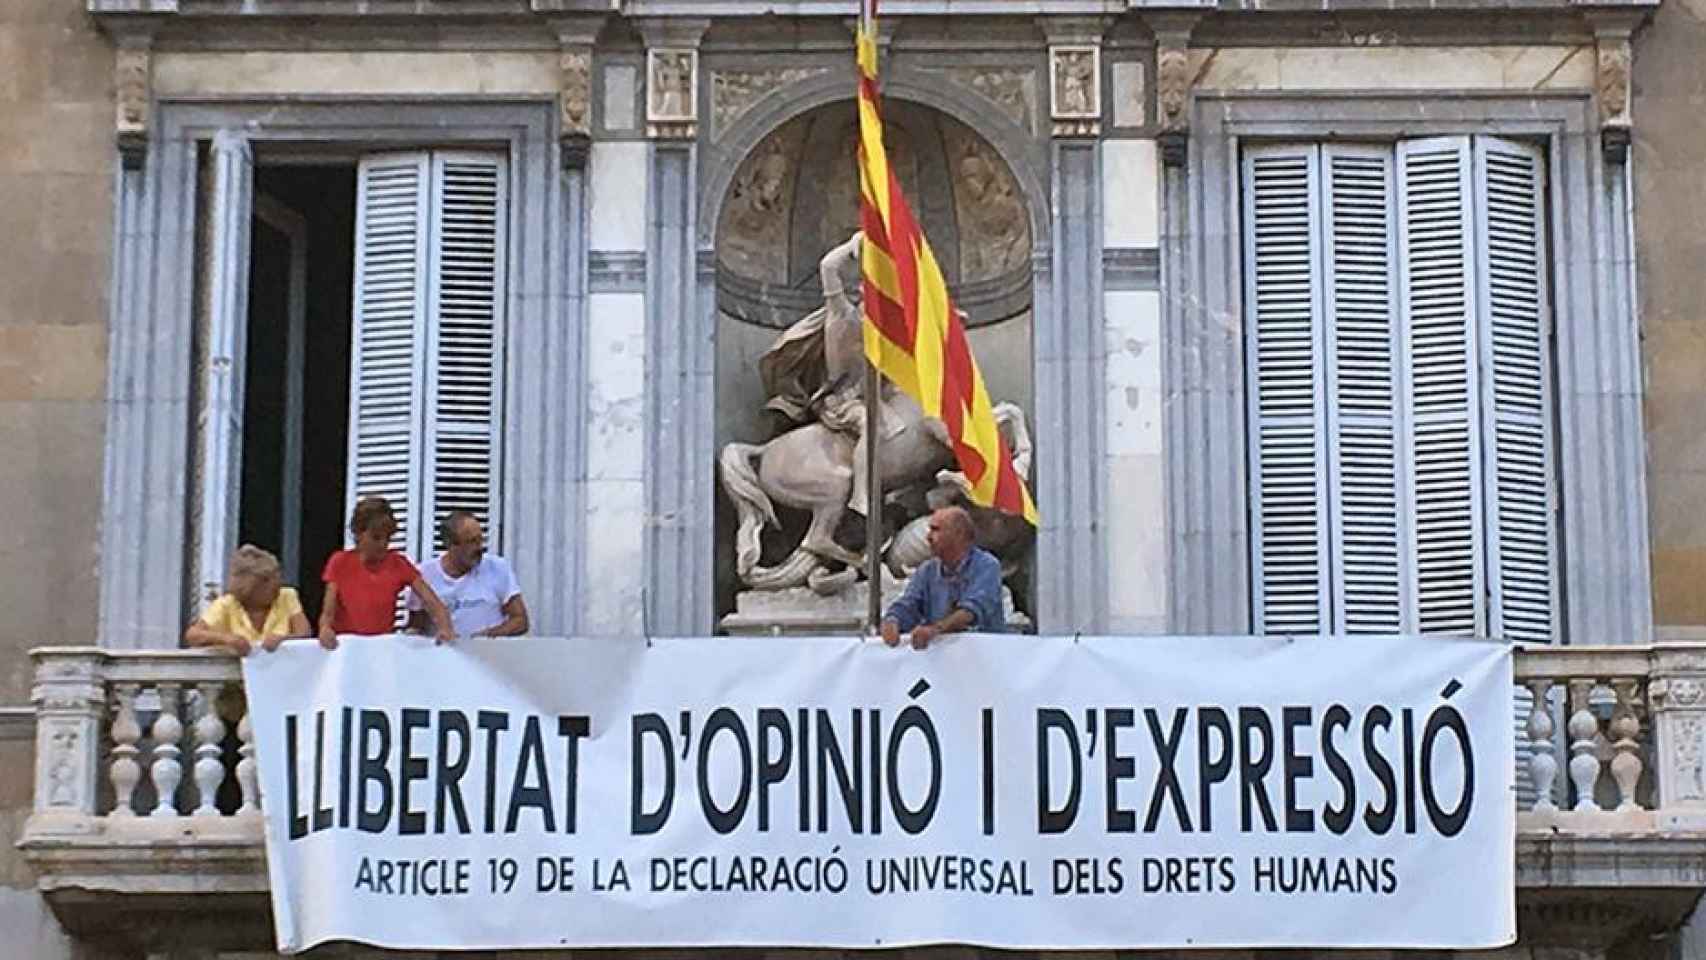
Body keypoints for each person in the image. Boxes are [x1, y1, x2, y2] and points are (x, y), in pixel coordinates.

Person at [319, 496, 455, 649]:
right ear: (358, 533)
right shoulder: (339, 562)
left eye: (388, 538)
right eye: (376, 537)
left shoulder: (398, 563)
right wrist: (325, 629)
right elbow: (328, 613)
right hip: (347, 649)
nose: (383, 544)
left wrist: (445, 626)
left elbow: (432, 601)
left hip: (382, 650)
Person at [880, 505, 1004, 649]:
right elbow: (909, 604)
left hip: (983, 658)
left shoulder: (987, 566)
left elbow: (972, 610)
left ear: (958, 534)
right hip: (943, 663)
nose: (928, 537)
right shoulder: (927, 570)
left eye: (936, 529)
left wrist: (935, 630)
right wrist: (892, 621)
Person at [406, 511, 529, 638]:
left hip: (490, 654)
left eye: (481, 540)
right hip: (443, 655)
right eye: (472, 542)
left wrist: (489, 635)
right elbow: (416, 627)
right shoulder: (424, 574)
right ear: (450, 544)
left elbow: (520, 621)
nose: (479, 548)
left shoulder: (497, 567)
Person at [184, 545, 311, 654]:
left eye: (277, 578)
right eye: (267, 581)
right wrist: (228, 639)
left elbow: (304, 633)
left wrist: (283, 639)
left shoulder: (287, 596)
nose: (277, 585)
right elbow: (193, 635)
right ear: (251, 588)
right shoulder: (227, 604)